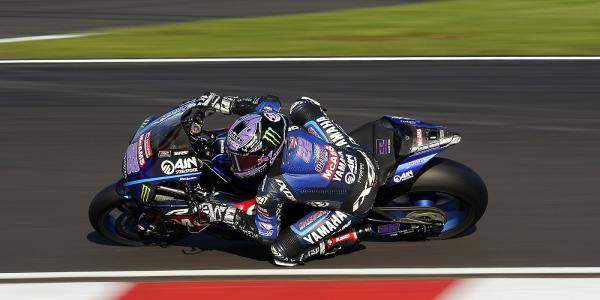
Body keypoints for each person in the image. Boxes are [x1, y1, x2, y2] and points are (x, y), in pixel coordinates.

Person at [185, 92, 379, 266]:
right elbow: (269, 101)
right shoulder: (277, 120)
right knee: (301, 106)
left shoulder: (272, 187)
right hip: (359, 156)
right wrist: (225, 104)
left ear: (266, 153)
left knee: (281, 253)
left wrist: (220, 213)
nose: (236, 164)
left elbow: (266, 234)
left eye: (243, 160)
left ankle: (337, 240)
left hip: (355, 201)